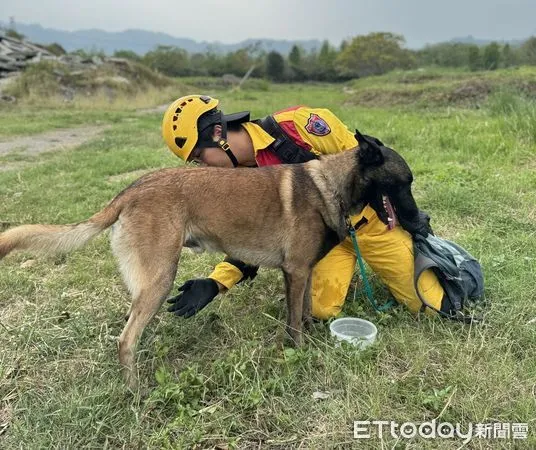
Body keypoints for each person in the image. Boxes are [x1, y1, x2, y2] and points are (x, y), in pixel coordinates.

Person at [161, 94, 450, 320]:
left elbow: (369, 162)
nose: (202, 168)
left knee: (432, 307)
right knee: (321, 310)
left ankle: (431, 257)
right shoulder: (239, 180)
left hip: (373, 227)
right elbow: (253, 238)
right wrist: (216, 282)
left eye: (200, 157)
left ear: (216, 134)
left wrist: (401, 212)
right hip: (326, 242)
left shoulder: (297, 125)